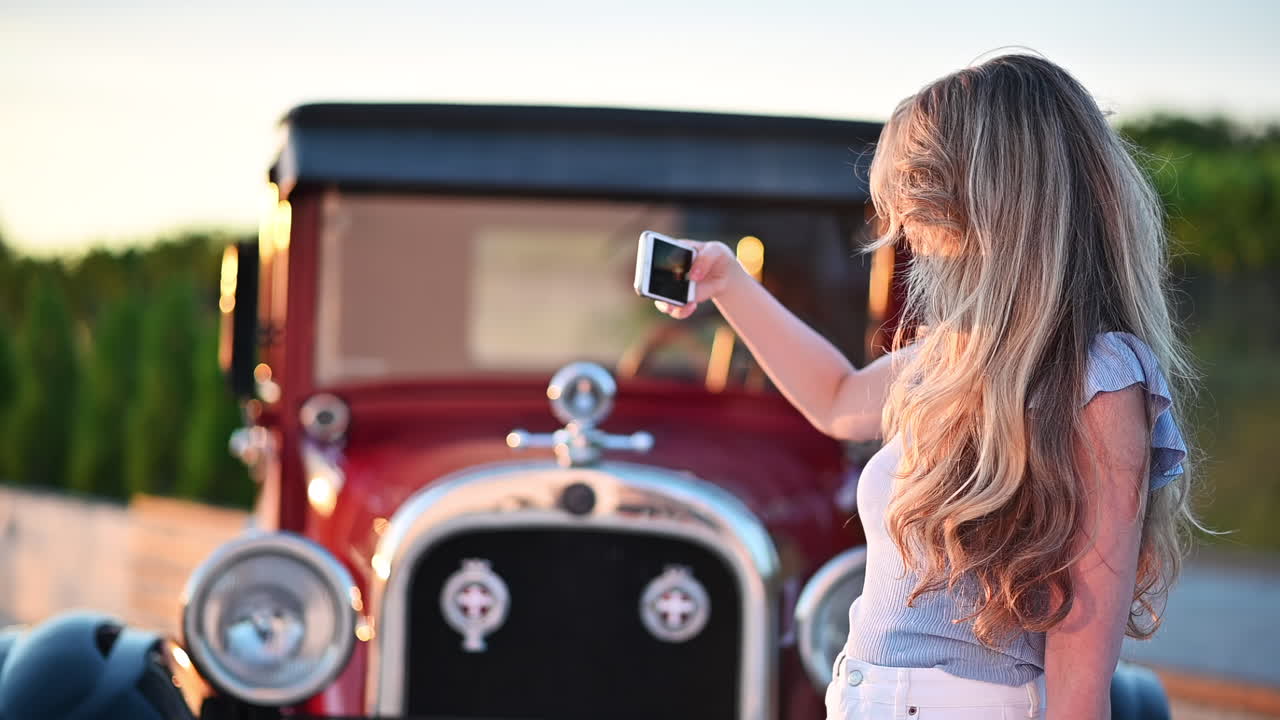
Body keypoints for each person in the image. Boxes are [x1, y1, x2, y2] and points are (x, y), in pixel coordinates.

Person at [654, 53, 1197, 720]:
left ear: (991, 201)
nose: (904, 229)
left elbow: (1084, 641)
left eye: (918, 198)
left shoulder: (1100, 377)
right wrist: (728, 284)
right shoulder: (954, 354)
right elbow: (835, 397)